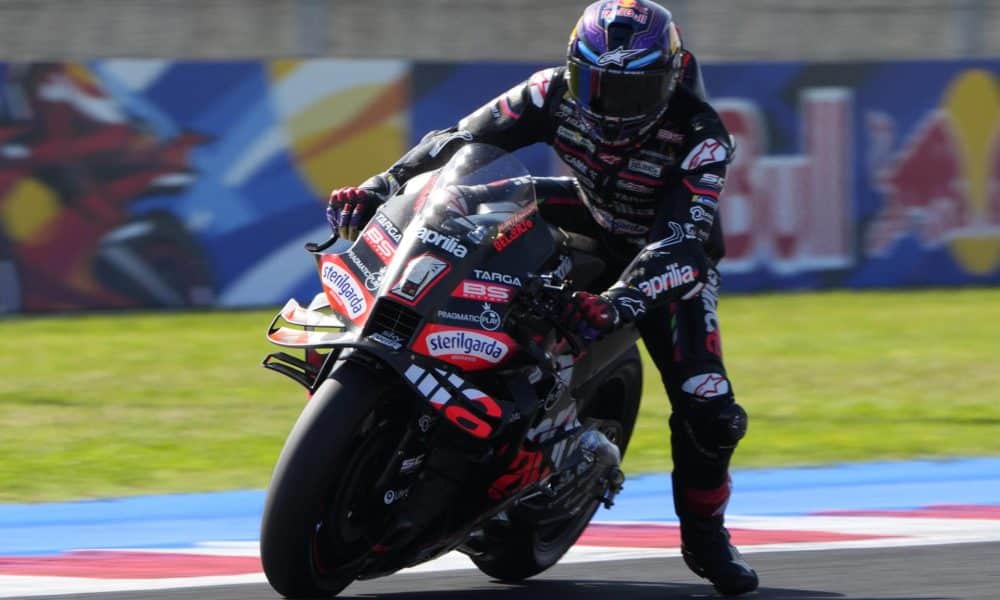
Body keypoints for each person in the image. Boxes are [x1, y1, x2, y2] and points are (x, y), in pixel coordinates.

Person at [326, 0, 757, 595]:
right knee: (457, 208)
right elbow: (460, 140)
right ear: (572, 71)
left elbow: (683, 246)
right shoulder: (546, 92)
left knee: (711, 407)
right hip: (582, 205)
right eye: (595, 86)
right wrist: (381, 186)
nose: (609, 108)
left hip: (661, 254)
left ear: (670, 77)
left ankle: (706, 539)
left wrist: (616, 302)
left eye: (630, 93)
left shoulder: (702, 136)